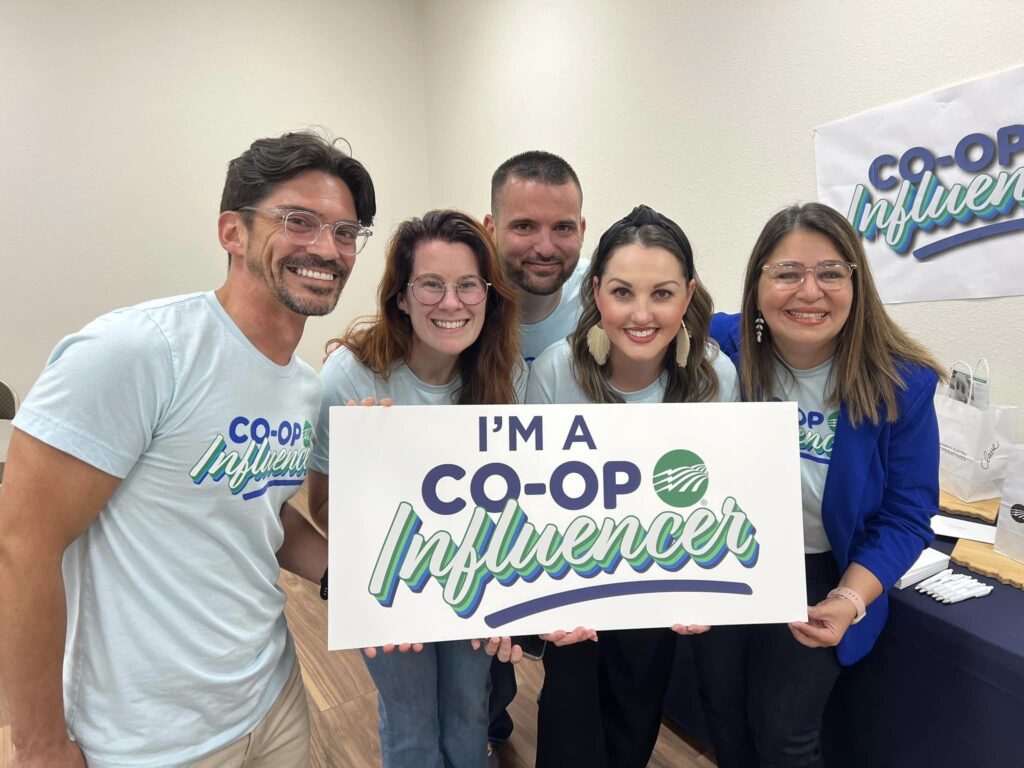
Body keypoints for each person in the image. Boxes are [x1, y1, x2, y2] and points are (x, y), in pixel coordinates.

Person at [0, 131, 375, 768]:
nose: (326, 248)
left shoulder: (304, 386)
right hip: (147, 738)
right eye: (298, 221)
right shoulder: (138, 352)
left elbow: (261, 511)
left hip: (273, 695)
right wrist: (37, 744)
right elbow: (22, 544)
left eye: (345, 232)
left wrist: (352, 581)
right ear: (232, 232)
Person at [693, 202, 942, 768]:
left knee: (785, 735)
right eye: (787, 273)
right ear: (758, 285)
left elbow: (906, 515)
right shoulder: (723, 345)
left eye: (830, 272)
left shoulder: (902, 383)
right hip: (726, 557)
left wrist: (849, 599)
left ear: (857, 283)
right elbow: (644, 316)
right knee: (722, 713)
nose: (809, 291)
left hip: (825, 572)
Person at [306, 210, 526, 768]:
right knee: (412, 724)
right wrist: (368, 469)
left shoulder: (507, 374)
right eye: (430, 284)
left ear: (488, 294)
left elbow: (520, 501)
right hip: (391, 582)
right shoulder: (350, 376)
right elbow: (322, 507)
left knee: (469, 712)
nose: (451, 303)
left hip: (474, 574)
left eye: (468, 285)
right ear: (401, 297)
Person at [526, 204, 738, 768]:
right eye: (622, 292)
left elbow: (724, 497)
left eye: (662, 294)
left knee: (635, 724)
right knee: (569, 726)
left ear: (688, 295)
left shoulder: (716, 376)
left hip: (659, 588)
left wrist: (708, 590)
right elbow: (531, 496)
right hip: (573, 588)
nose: (641, 314)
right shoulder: (555, 371)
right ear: (596, 293)